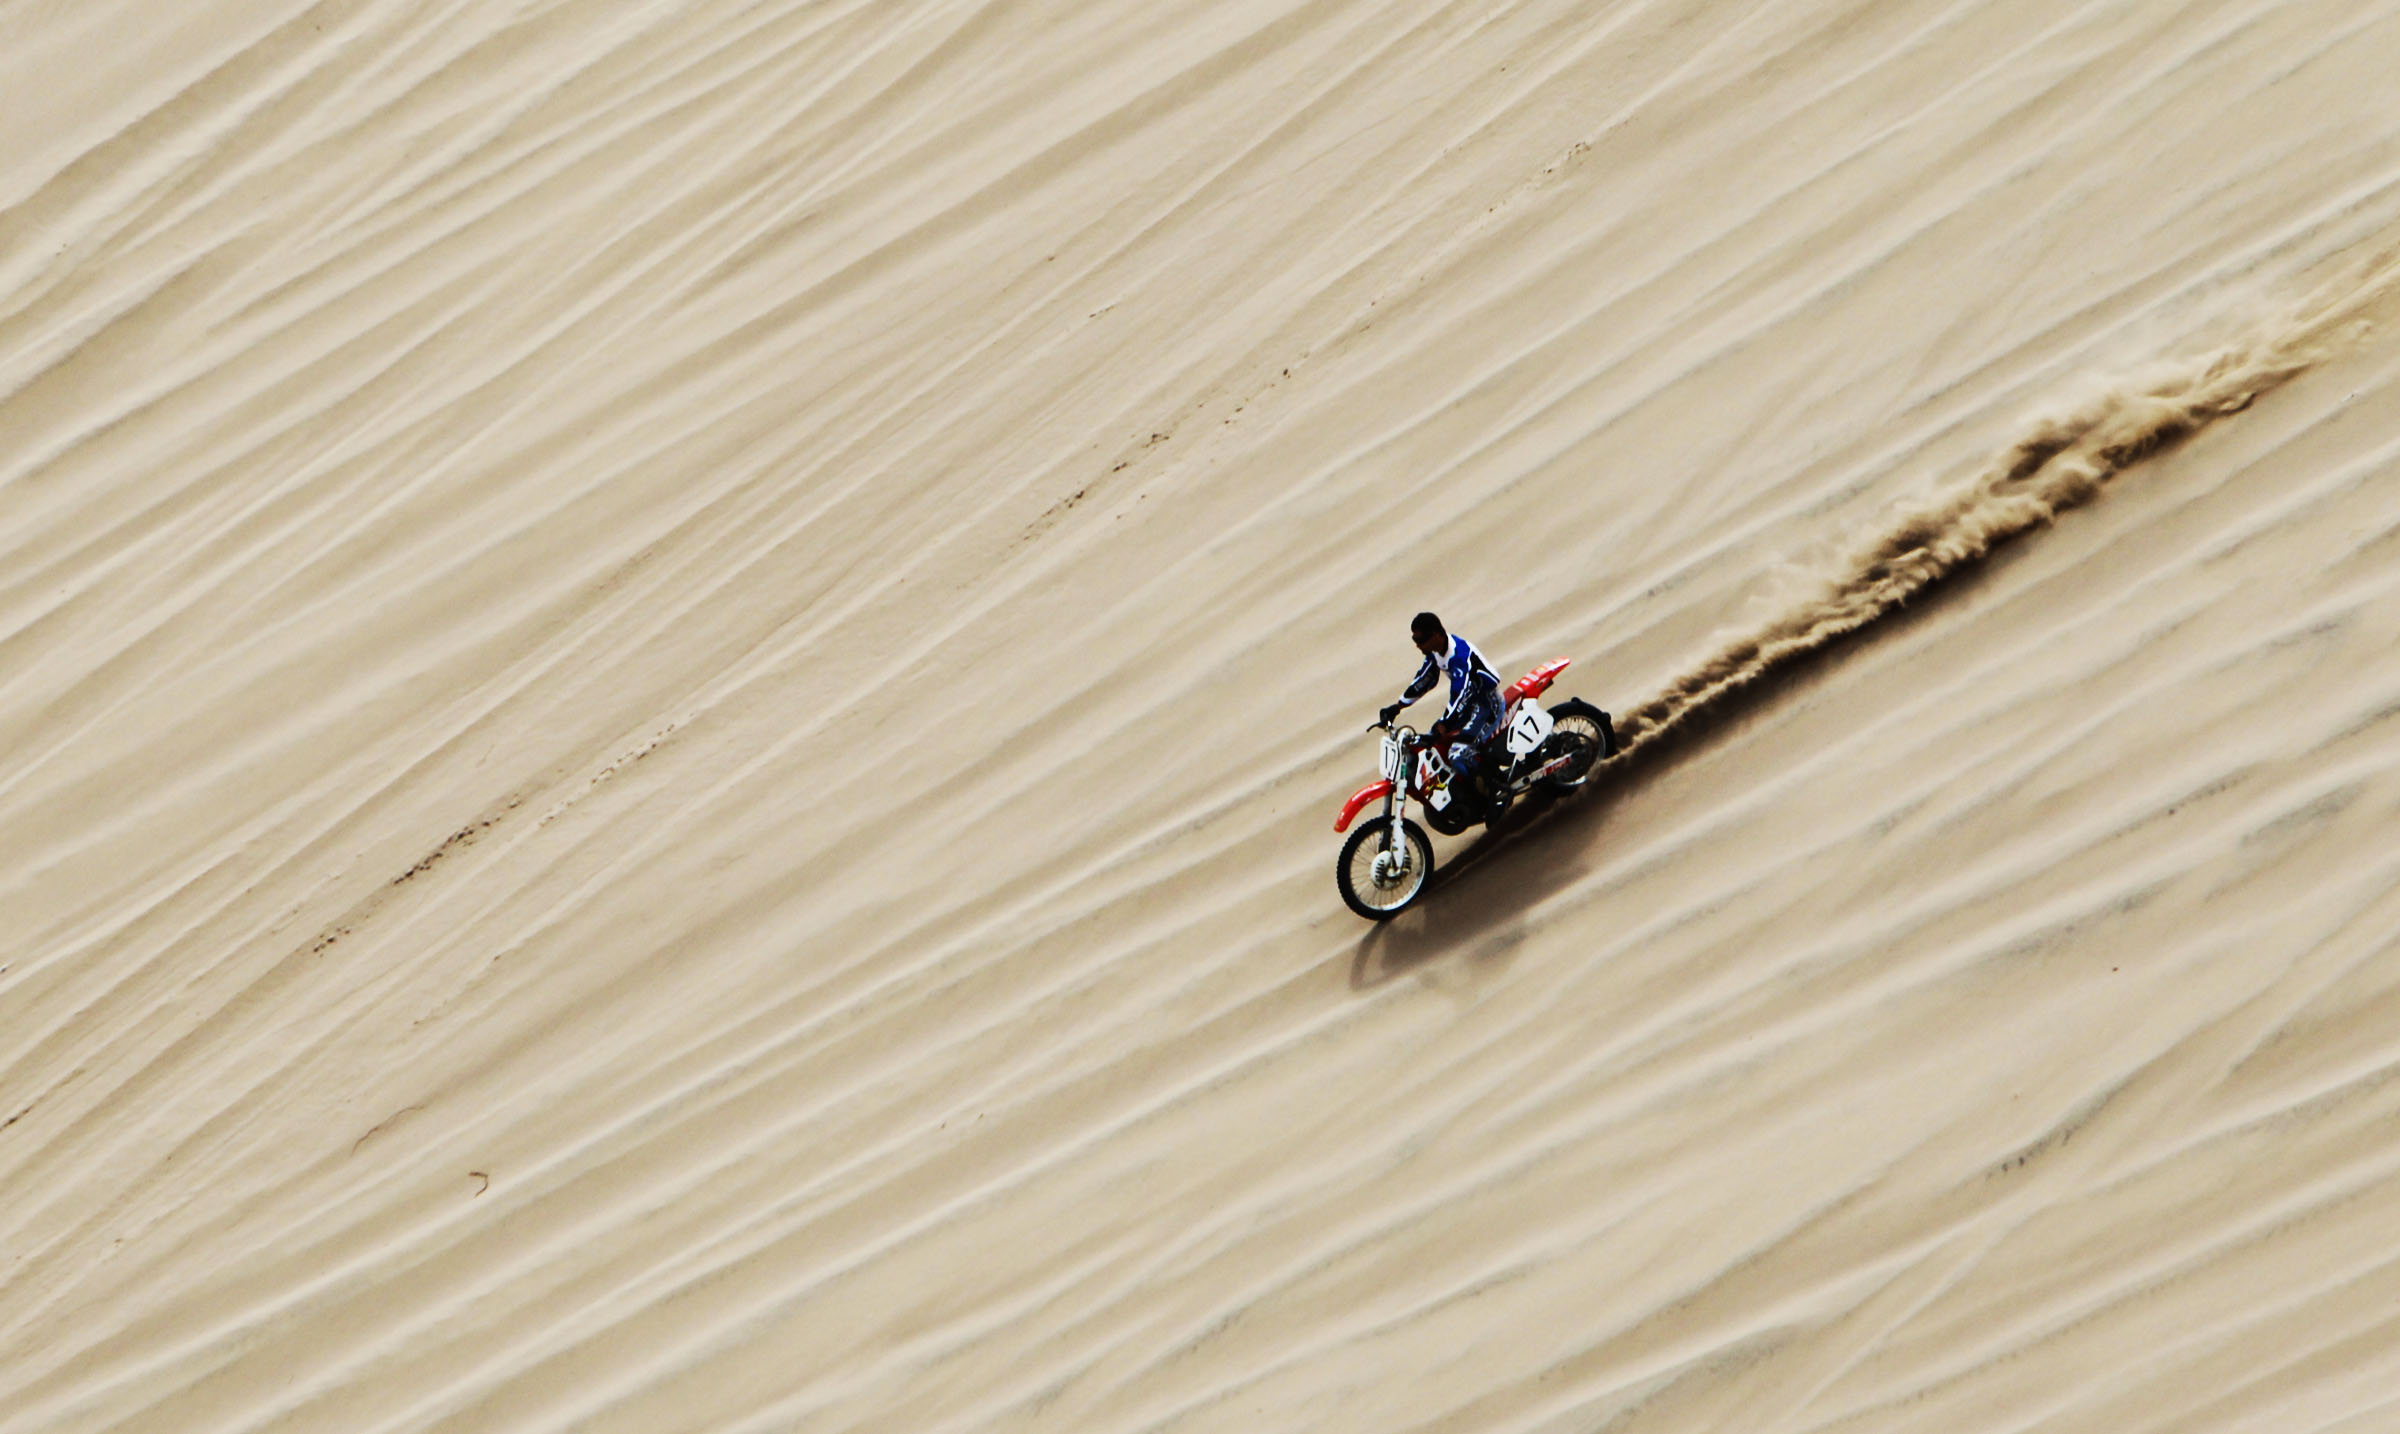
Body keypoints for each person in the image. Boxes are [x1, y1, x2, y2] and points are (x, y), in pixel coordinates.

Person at [1378, 612, 1507, 813]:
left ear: (1437, 634)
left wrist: (1445, 723)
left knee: (1459, 753)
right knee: (1436, 743)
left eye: (1421, 640)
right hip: (1468, 705)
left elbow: (1461, 694)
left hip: (1486, 704)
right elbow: (1425, 679)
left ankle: (1494, 794)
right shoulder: (1436, 652)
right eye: (1415, 640)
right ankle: (1461, 793)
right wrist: (1398, 706)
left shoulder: (1460, 657)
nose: (1417, 645)